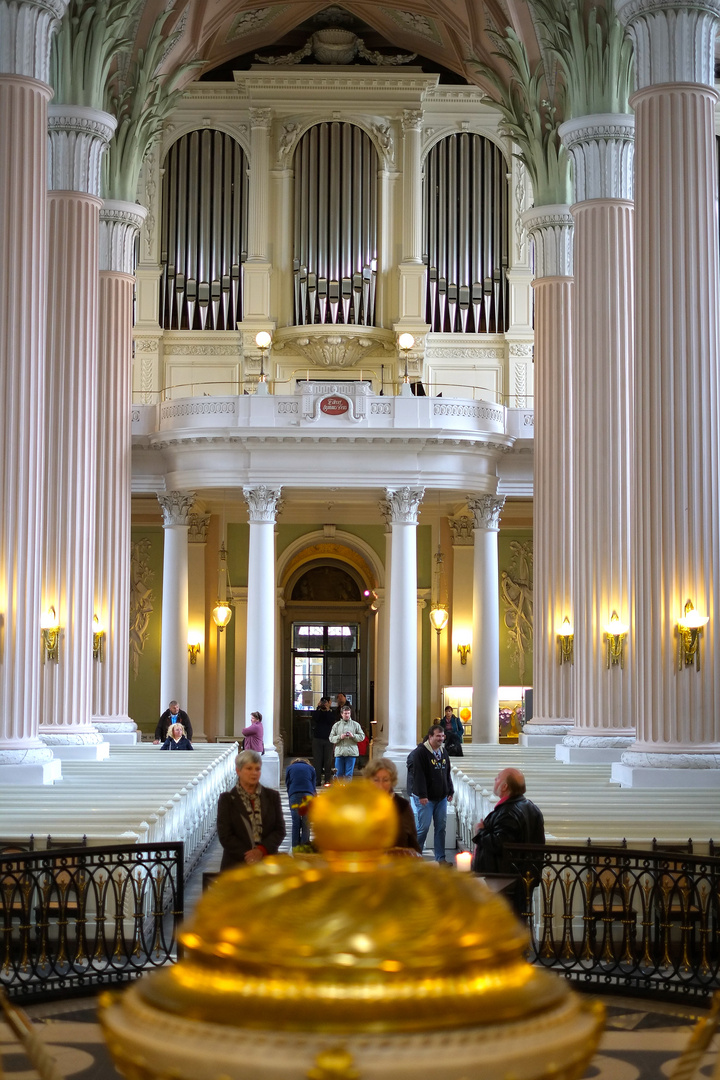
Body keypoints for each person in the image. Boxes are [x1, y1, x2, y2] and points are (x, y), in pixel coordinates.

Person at [471, 767, 545, 915]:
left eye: (498, 778)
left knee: (504, 920)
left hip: (505, 882)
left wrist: (480, 831)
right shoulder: (530, 807)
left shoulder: (509, 812)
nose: (495, 780)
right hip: (523, 878)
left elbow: (500, 844)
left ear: (505, 786)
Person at [217, 750, 285, 871]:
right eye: (249, 768)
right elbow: (225, 835)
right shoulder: (227, 799)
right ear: (238, 771)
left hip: (267, 865)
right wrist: (249, 856)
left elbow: (279, 830)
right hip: (236, 866)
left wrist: (261, 851)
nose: (254, 773)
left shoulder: (272, 796)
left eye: (257, 769)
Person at [406, 724, 454, 862]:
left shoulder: (443, 752)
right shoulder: (420, 753)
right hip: (425, 798)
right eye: (438, 736)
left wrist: (450, 790)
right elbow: (418, 775)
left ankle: (441, 858)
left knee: (441, 828)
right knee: (423, 828)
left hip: (441, 797)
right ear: (430, 736)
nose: (441, 738)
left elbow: (446, 773)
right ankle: (415, 856)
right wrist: (422, 795)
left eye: (442, 736)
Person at [364, 757, 421, 853]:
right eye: (376, 780)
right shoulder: (362, 805)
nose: (380, 785)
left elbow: (413, 844)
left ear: (392, 781)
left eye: (385, 780)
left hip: (397, 865)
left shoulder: (403, 806)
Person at [285, 757, 317, 847]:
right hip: (308, 795)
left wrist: (290, 795)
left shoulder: (289, 768)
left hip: (294, 795)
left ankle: (295, 846)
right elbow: (313, 785)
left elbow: (288, 783)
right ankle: (305, 845)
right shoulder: (311, 768)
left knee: (295, 822)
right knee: (306, 822)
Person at [328, 705, 365, 780]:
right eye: (345, 713)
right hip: (340, 752)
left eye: (348, 713)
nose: (347, 715)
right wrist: (339, 737)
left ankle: (347, 789)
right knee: (339, 773)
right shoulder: (336, 725)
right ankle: (340, 790)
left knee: (349, 774)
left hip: (351, 752)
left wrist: (353, 736)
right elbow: (331, 738)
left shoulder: (356, 725)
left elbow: (362, 737)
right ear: (342, 714)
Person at [311, 697, 334, 784]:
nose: (324, 704)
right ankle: (317, 779)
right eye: (323, 702)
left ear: (329, 703)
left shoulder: (332, 712)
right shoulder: (318, 712)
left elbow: (330, 720)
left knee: (328, 760)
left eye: (326, 702)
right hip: (317, 738)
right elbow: (315, 719)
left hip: (328, 739)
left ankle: (327, 779)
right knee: (317, 760)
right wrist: (318, 708)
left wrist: (327, 710)